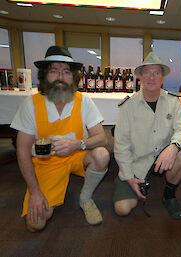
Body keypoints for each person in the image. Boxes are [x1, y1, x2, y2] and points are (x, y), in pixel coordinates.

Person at [11, 46, 110, 232]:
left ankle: (85, 198)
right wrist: (34, 191)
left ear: (73, 77)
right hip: (46, 162)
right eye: (54, 71)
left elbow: (102, 138)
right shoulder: (31, 104)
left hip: (77, 155)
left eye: (66, 72)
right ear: (44, 76)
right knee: (35, 224)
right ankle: (45, 191)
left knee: (102, 155)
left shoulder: (83, 101)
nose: (60, 77)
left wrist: (77, 144)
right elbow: (22, 150)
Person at [113, 52, 181, 219]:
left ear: (162, 78)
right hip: (137, 162)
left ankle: (169, 195)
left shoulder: (174, 102)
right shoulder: (127, 106)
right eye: (147, 72)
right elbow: (121, 146)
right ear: (140, 77)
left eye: (156, 73)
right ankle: (133, 182)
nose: (151, 77)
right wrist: (128, 178)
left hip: (163, 155)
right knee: (123, 209)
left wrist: (173, 147)